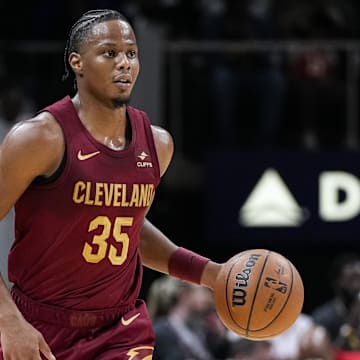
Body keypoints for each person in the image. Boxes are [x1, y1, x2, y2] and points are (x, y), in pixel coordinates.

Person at [0, 9, 223, 360]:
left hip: (120, 326)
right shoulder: (39, 139)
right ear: (77, 62)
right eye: (110, 53)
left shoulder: (158, 145)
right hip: (41, 323)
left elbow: (130, 227)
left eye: (131, 54)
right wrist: (7, 319)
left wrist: (209, 273)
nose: (124, 63)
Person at [147, 275, 230, 359]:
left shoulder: (203, 329)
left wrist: (221, 340)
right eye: (203, 291)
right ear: (184, 294)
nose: (209, 298)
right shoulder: (160, 332)